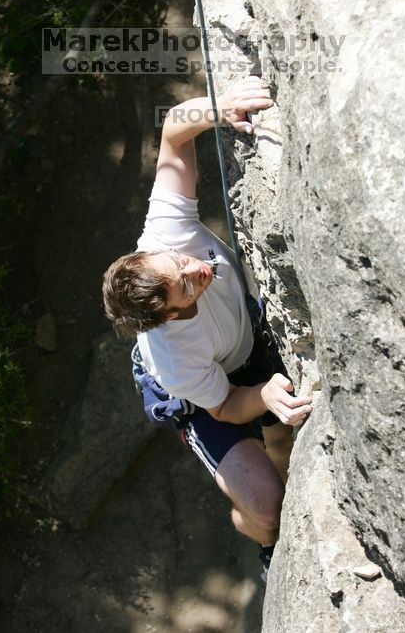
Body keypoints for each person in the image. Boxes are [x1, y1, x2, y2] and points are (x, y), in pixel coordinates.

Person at [102, 75, 313, 580]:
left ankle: (278, 457)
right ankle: (263, 545)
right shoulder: (176, 358)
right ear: (171, 316)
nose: (198, 269)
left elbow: (175, 130)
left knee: (284, 432)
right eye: (188, 287)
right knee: (266, 510)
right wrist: (262, 393)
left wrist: (220, 108)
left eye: (181, 264)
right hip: (205, 396)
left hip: (240, 342)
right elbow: (224, 405)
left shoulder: (165, 236)